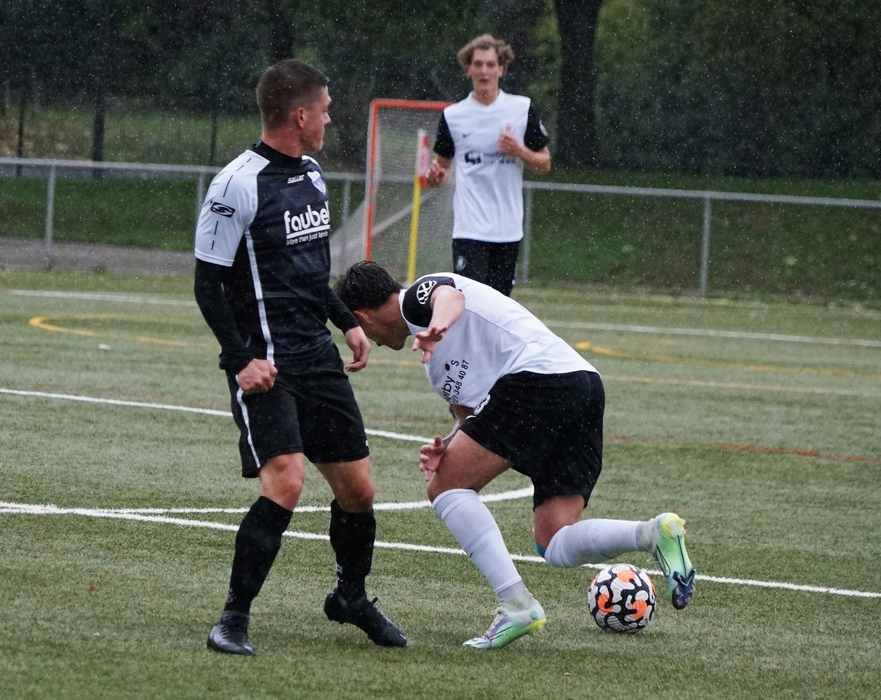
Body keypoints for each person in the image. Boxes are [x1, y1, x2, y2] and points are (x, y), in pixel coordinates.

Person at [334, 261, 696, 649]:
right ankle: (652, 533)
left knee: (445, 488)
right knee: (553, 539)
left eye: (356, 329)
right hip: (582, 386)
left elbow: (449, 297)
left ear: (361, 317)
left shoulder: (416, 300)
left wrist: (437, 326)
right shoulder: (435, 368)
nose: (367, 340)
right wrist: (448, 446)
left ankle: (517, 606)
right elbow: (471, 417)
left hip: (540, 380)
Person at [193, 60, 406, 656]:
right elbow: (207, 285)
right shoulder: (235, 185)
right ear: (300, 115)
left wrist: (346, 323)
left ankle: (350, 597)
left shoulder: (312, 175)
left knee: (359, 490)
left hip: (317, 357)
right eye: (326, 109)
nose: (330, 119)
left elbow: (310, 275)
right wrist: (241, 361)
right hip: (266, 366)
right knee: (286, 482)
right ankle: (232, 619)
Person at [424, 34, 552, 297]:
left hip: (507, 228)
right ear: (468, 69)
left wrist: (520, 151)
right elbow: (441, 169)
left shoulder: (521, 108)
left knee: (499, 305)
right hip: (469, 227)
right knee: (469, 302)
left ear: (501, 69)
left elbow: (545, 164)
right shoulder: (453, 116)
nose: (484, 71)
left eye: (491, 64)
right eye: (478, 64)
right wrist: (435, 176)